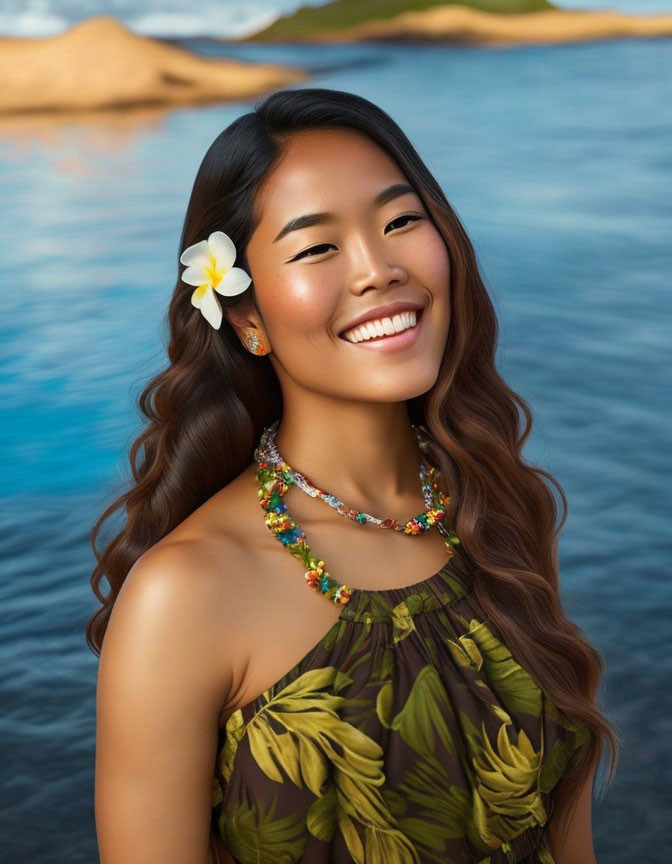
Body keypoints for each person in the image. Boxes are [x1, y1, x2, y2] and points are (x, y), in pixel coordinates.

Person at [87, 88, 619, 864]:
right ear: (247, 319)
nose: (378, 269)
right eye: (316, 247)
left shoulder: (496, 511)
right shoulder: (185, 596)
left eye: (401, 221)